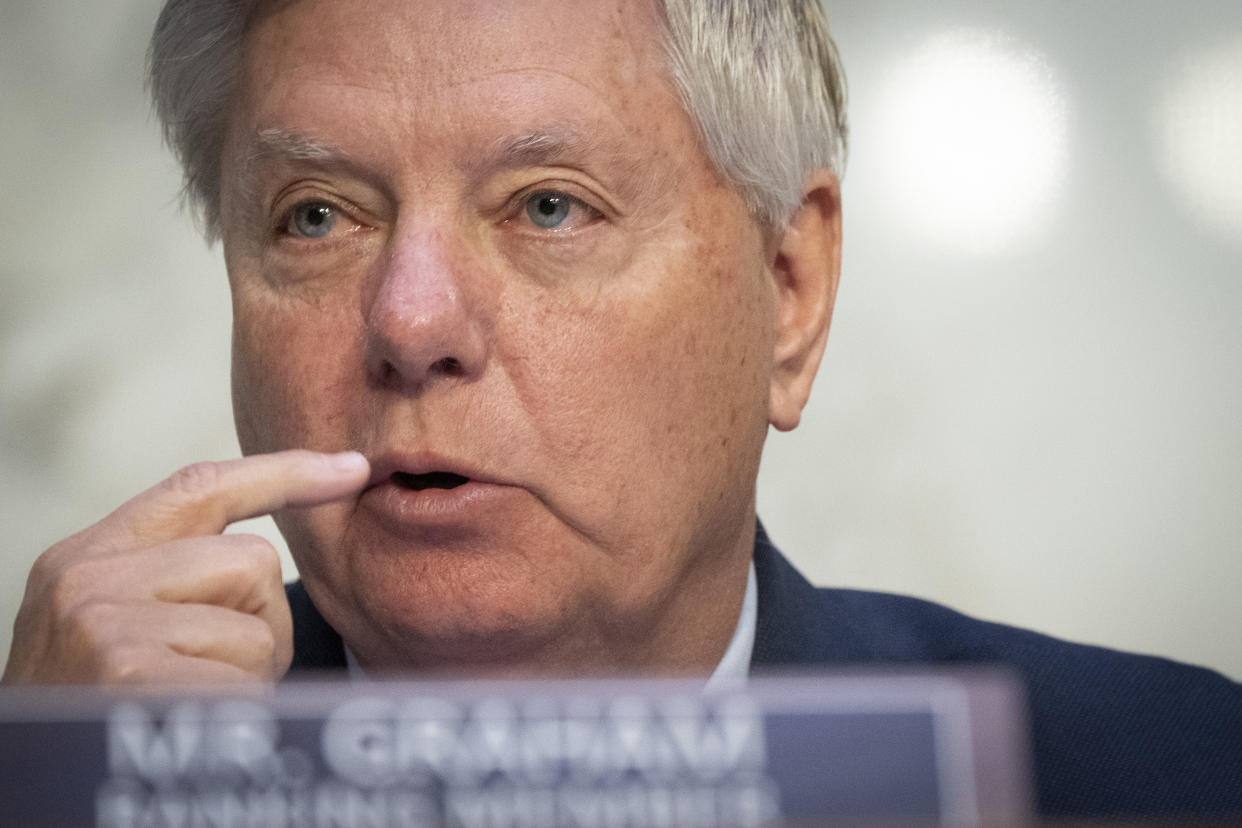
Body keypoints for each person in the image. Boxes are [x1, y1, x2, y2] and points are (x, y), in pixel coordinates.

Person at [3, 0, 1239, 819]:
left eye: (549, 206)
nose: (411, 323)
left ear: (790, 296)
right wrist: (52, 788)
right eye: (317, 215)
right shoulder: (85, 772)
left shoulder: (1161, 775)